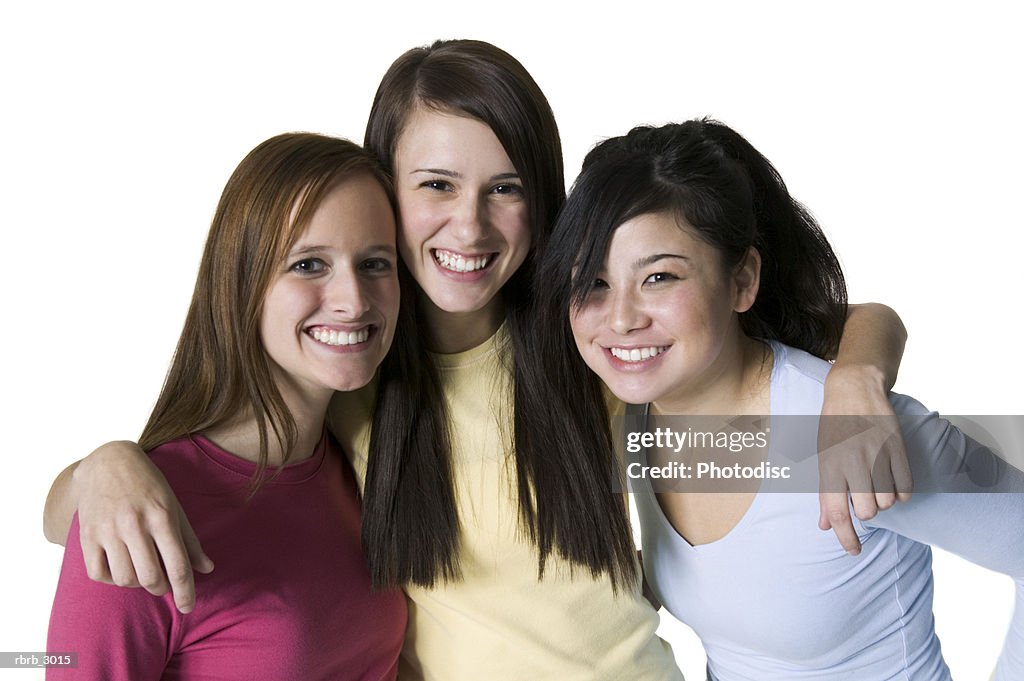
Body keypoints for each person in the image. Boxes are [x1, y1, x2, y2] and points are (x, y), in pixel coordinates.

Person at [43, 41, 910, 679]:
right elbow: (187, 487)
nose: (471, 227)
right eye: (436, 186)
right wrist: (105, 467)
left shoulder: (589, 341)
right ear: (382, 188)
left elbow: (832, 330)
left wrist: (859, 376)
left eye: (507, 188)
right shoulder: (351, 369)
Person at [535, 118, 1024, 680]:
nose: (622, 318)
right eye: (594, 283)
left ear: (742, 281)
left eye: (660, 277)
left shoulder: (850, 427)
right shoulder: (634, 412)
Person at [46, 132, 407, 680]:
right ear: (242, 283)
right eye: (308, 265)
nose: (353, 300)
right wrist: (103, 464)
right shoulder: (137, 516)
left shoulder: (360, 460)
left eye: (376, 263)